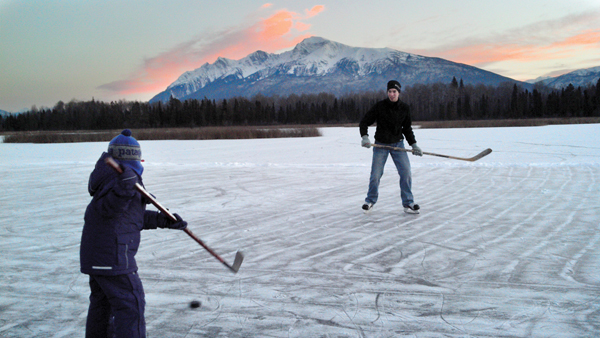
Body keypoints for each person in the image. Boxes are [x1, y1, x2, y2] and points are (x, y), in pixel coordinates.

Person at [80, 129, 188, 338]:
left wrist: (162, 220)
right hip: (113, 258)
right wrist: (125, 189)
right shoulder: (118, 183)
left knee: (102, 309)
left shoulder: (116, 181)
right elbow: (109, 210)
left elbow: (128, 218)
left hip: (99, 258)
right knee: (131, 305)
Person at [359, 80, 423, 214]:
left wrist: (414, 144)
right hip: (381, 144)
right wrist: (365, 136)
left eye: (394, 92)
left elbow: (407, 129)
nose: (392, 94)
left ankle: (408, 203)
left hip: (398, 144)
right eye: (389, 92)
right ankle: (370, 201)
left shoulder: (404, 108)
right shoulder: (380, 106)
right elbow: (364, 121)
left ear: (399, 92)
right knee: (375, 174)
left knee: (406, 173)